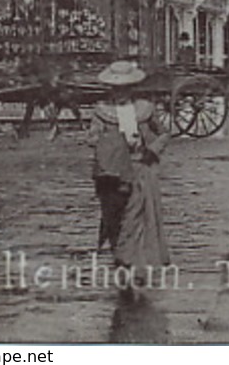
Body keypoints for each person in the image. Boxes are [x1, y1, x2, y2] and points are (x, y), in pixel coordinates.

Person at [90, 61, 170, 295]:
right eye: (116, 88)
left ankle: (133, 264)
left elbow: (164, 133)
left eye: (125, 88)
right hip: (112, 172)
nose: (120, 92)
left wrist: (151, 149)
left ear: (132, 88)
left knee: (135, 218)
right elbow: (92, 138)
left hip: (139, 169)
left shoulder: (145, 109)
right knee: (113, 217)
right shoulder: (102, 111)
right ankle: (122, 258)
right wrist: (107, 144)